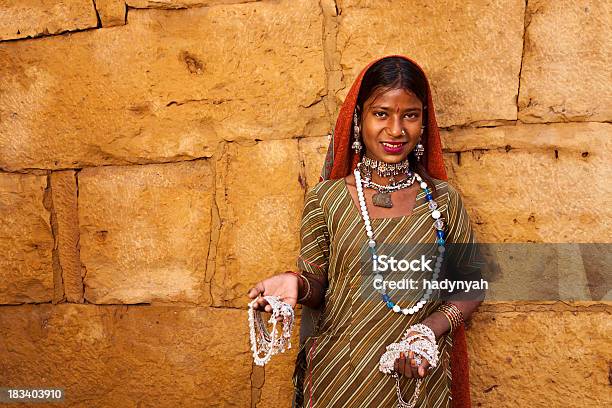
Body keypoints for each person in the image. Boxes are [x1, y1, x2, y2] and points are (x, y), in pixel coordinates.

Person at [247, 55, 485, 408]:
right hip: (338, 380)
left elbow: (470, 286)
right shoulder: (326, 199)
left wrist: (425, 333)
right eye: (381, 113)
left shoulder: (442, 201)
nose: (395, 130)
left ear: (424, 123)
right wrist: (294, 284)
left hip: (417, 381)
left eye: (410, 115)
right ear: (358, 120)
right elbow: (318, 283)